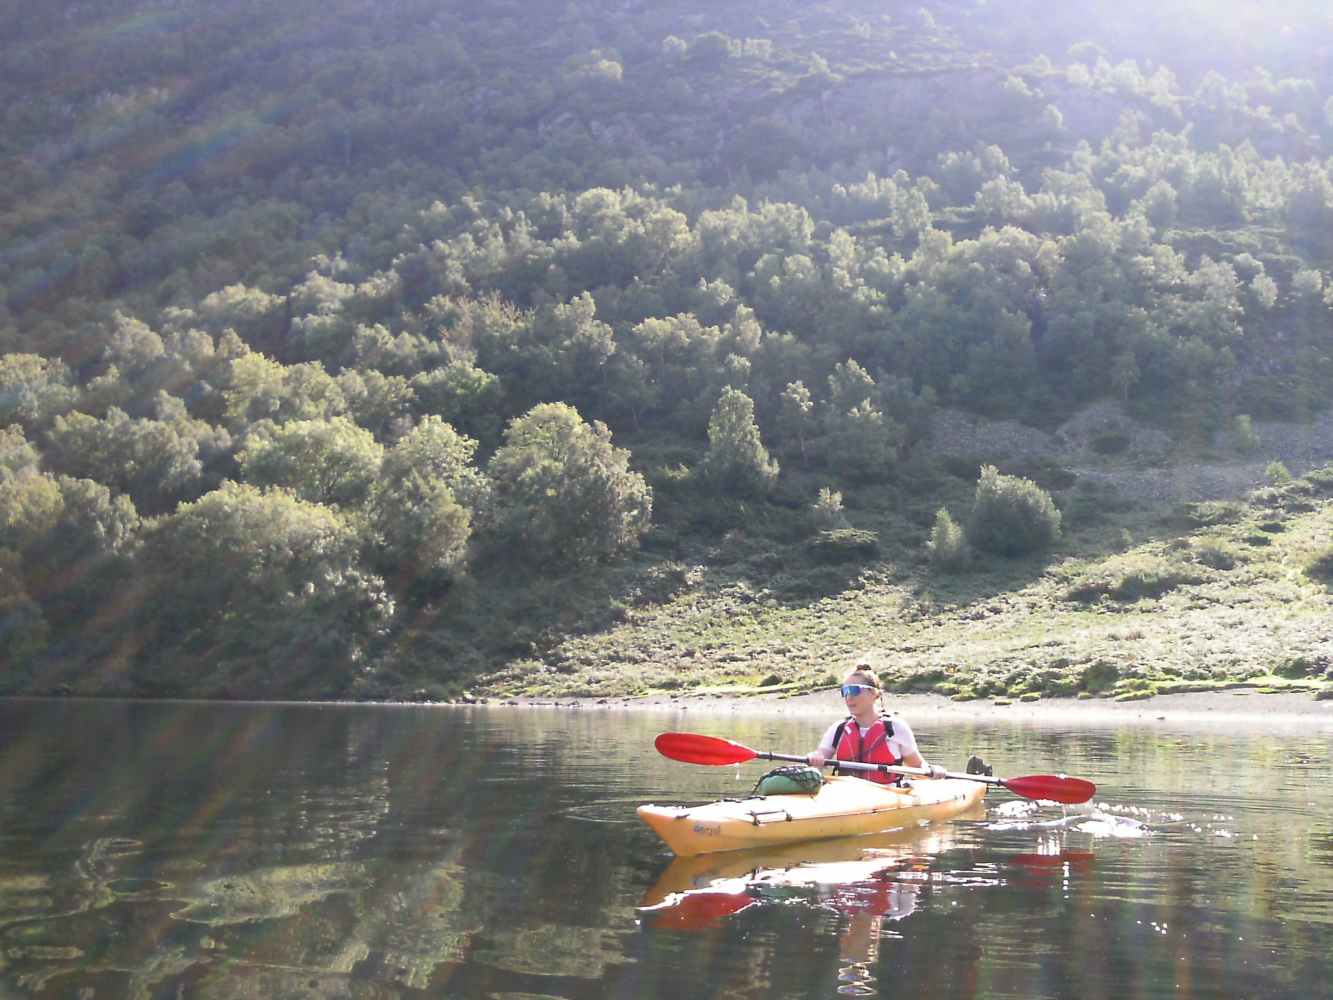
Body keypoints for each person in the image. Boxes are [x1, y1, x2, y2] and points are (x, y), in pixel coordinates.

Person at [806, 666, 946, 783]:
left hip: (887, 796)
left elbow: (917, 766)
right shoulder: (839, 728)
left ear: (874, 693)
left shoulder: (895, 728)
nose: (849, 697)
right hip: (847, 794)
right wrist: (816, 757)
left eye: (854, 690)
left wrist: (931, 771)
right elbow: (822, 754)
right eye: (845, 691)